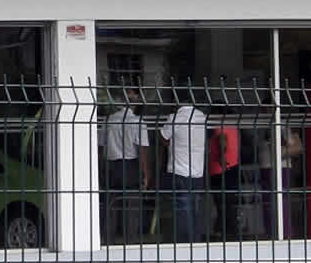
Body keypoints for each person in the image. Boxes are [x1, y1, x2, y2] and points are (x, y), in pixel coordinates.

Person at [100, 89, 149, 243]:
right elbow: (142, 151)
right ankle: (131, 242)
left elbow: (100, 147)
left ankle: (108, 242)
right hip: (131, 166)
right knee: (131, 208)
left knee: (111, 207)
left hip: (111, 166)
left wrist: (101, 169)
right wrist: (146, 174)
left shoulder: (108, 120)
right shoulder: (138, 122)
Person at [158, 98, 208, 242]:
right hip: (198, 171)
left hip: (180, 171)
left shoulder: (175, 118)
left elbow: (162, 137)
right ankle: (196, 241)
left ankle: (184, 243)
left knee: (182, 209)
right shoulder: (201, 116)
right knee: (196, 209)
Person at [205, 117, 241, 239]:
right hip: (232, 166)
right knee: (229, 202)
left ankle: (224, 231)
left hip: (221, 169)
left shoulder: (220, 124)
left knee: (222, 203)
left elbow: (222, 140)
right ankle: (228, 231)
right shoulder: (233, 126)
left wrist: (221, 156)